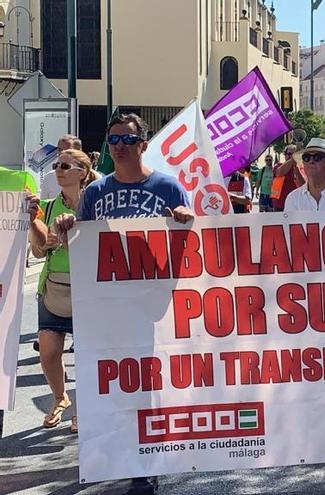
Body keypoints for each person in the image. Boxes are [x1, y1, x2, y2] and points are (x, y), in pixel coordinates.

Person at [54, 113, 193, 495]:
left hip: (150, 305)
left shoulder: (168, 188)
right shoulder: (96, 194)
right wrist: (67, 226)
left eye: (128, 140)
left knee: (145, 386)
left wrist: (186, 221)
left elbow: (189, 247)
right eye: (114, 139)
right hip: (106, 307)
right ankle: (112, 454)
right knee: (107, 382)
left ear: (143, 145)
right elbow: (79, 247)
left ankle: (144, 466)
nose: (119, 146)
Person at [26, 149, 97, 435]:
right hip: (53, 287)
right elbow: (38, 250)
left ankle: (85, 409)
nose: (58, 170)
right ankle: (60, 398)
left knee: (88, 355)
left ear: (82, 172)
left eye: (65, 165)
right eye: (56, 165)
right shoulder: (47, 205)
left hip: (88, 289)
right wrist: (33, 223)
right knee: (49, 353)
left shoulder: (93, 205)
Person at [41, 134, 83, 200]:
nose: (62, 153)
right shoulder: (49, 178)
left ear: (78, 152)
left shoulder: (90, 177)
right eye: (60, 150)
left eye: (67, 150)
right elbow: (42, 207)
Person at [272, 144, 306, 211]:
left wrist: (296, 167)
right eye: (289, 154)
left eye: (294, 154)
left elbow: (302, 185)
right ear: (285, 155)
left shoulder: (302, 169)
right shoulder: (278, 166)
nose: (291, 156)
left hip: (296, 205)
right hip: (280, 205)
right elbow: (279, 172)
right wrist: (294, 159)